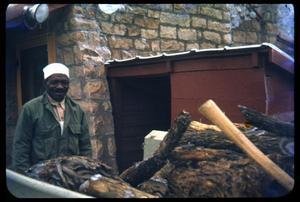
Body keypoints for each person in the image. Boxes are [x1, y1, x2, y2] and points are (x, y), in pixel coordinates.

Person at [12, 63, 92, 174]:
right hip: (41, 177)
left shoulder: (77, 111)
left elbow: (85, 147)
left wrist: (85, 172)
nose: (60, 86)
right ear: (45, 84)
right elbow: (21, 146)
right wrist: (26, 177)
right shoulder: (30, 109)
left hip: (71, 176)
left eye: (64, 82)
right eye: (54, 82)